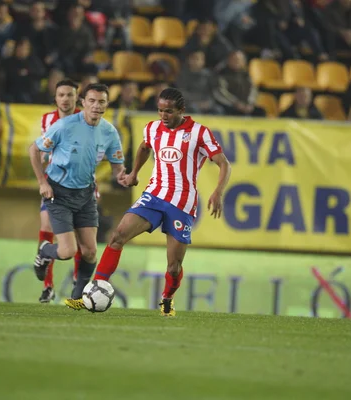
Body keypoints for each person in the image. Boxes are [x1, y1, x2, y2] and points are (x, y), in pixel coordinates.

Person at [65, 88, 232, 316]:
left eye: (169, 111)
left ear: (181, 111)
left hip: (181, 204)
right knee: (117, 237)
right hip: (154, 195)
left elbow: (224, 163)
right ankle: (93, 290)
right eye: (160, 110)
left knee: (173, 267)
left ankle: (167, 298)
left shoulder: (199, 132)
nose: (163, 115)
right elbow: (145, 147)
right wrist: (134, 173)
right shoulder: (153, 128)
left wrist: (217, 192)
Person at [29, 83, 129, 304]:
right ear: (83, 102)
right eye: (92, 101)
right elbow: (34, 150)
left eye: (101, 101)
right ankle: (46, 250)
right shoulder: (64, 125)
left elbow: (117, 167)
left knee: (90, 252)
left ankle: (77, 299)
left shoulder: (110, 132)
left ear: (107, 104)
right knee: (66, 251)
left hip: (85, 194)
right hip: (59, 193)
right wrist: (41, 183)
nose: (96, 106)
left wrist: (124, 177)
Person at [35, 79, 82, 303]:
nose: (65, 99)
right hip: (54, 182)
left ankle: (77, 284)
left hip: (81, 183)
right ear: (55, 98)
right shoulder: (48, 119)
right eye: (61, 95)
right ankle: (48, 286)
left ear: (76, 98)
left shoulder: (87, 119)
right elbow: (44, 148)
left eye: (69, 95)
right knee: (46, 227)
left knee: (81, 236)